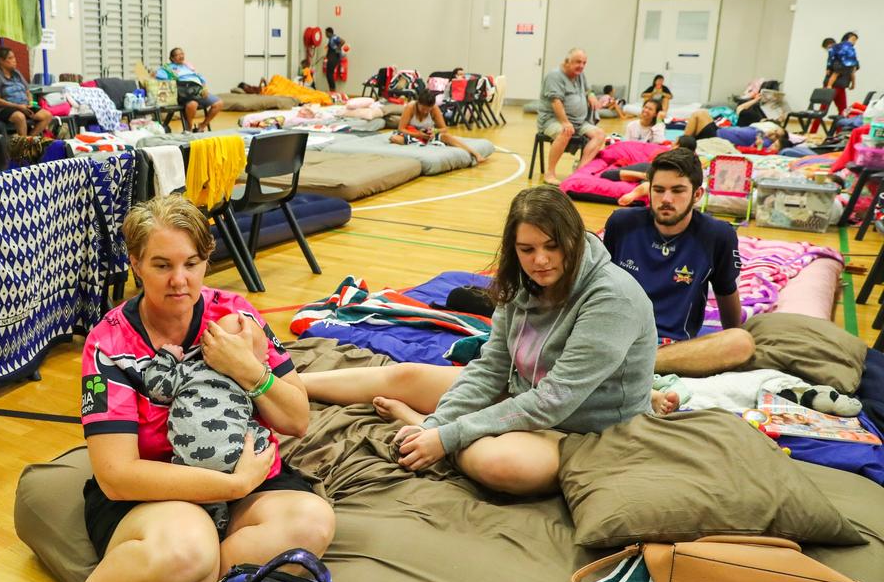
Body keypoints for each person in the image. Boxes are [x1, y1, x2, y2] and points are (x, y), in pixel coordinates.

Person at [0, 195, 334, 582]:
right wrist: (232, 481)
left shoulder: (237, 316)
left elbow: (298, 418)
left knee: (311, 523)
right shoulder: (108, 342)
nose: (180, 281)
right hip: (157, 489)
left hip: (242, 477)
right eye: (161, 265)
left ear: (207, 260)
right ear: (135, 264)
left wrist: (250, 371)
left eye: (192, 264)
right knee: (187, 553)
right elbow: (117, 474)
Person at [300, 187, 663, 495]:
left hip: (590, 432)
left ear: (575, 238)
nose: (540, 260)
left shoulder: (612, 299)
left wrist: (446, 436)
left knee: (499, 464)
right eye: (527, 249)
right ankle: (286, 383)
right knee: (405, 375)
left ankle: (417, 423)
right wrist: (435, 425)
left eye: (552, 246)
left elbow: (554, 402)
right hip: (527, 396)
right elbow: (491, 368)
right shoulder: (523, 282)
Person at [603, 147, 755, 378]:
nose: (666, 199)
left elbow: (727, 293)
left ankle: (632, 366)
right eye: (659, 190)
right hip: (615, 339)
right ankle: (622, 366)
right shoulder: (621, 223)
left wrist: (729, 336)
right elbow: (598, 287)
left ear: (697, 194)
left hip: (672, 349)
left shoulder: (717, 235)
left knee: (740, 342)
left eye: (677, 190)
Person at [144, 312, 274, 534]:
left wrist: (167, 356)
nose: (269, 358)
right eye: (265, 354)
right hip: (235, 460)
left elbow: (156, 387)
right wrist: (261, 373)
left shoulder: (190, 371)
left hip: (186, 469)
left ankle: (212, 504)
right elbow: (269, 404)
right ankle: (222, 507)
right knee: (258, 434)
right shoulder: (248, 382)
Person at [536, 48, 605, 186]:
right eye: (578, 62)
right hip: (552, 120)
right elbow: (556, 101)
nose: (581, 66)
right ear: (567, 62)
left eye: (584, 63)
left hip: (578, 121)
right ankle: (550, 173)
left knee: (600, 134)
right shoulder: (554, 76)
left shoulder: (579, 74)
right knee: (564, 132)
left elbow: (588, 90)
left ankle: (580, 171)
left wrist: (591, 96)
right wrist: (565, 122)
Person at [390, 89, 486, 163]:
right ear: (418, 103)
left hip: (428, 134)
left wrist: (434, 131)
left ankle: (475, 154)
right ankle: (421, 142)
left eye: (428, 109)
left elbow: (444, 129)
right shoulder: (410, 107)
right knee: (395, 138)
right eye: (423, 109)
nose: (425, 112)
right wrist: (417, 134)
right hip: (412, 133)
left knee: (447, 137)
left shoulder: (434, 108)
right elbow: (401, 128)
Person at [0, 47, 54, 136]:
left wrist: (31, 103)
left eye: (14, 57)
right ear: (1, 61)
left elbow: (28, 92)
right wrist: (18, 106)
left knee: (47, 115)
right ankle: (22, 146)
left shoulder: (17, 73)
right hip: (2, 109)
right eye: (10, 58)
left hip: (23, 106)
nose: (14, 60)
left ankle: (28, 141)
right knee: (19, 117)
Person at [156, 47, 224, 131]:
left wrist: (204, 87)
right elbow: (158, 76)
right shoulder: (168, 68)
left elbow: (200, 77)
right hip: (185, 92)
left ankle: (202, 126)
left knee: (219, 103)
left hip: (198, 89)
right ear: (172, 58)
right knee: (192, 104)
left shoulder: (188, 66)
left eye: (182, 54)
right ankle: (189, 127)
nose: (181, 56)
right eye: (178, 55)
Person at [681, 108, 788, 153]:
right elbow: (741, 108)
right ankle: (685, 143)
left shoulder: (765, 142)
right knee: (702, 113)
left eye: (777, 136)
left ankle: (682, 144)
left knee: (698, 114)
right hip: (718, 130)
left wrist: (759, 144)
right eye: (775, 130)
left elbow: (758, 149)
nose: (773, 134)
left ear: (778, 141)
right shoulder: (762, 131)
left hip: (716, 137)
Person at [324, 27, 345, 92]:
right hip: (331, 57)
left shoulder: (334, 37)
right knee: (328, 74)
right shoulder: (330, 39)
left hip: (334, 57)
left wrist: (338, 49)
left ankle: (332, 91)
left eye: (326, 33)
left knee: (329, 74)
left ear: (329, 33)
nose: (325, 34)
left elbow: (342, 41)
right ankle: (331, 90)